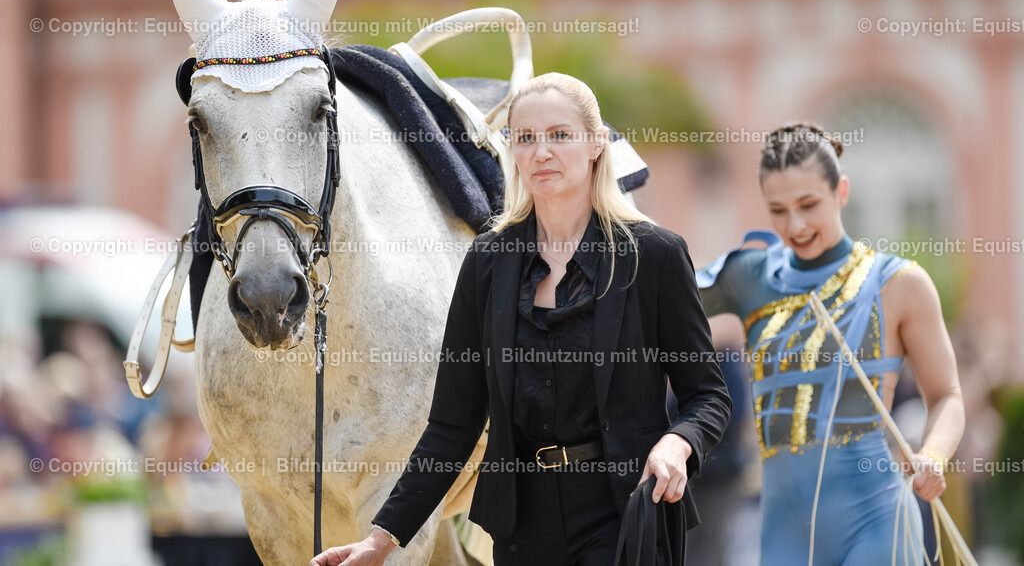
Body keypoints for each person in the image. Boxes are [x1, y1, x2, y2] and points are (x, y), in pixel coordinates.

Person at [311, 72, 731, 566]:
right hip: (521, 524)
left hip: (624, 512)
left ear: (597, 144)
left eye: (559, 135)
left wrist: (677, 444)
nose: (541, 152)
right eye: (525, 138)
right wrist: (381, 539)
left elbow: (707, 395)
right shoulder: (487, 263)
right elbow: (452, 425)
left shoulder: (654, 255)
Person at [696, 123, 965, 565]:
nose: (795, 225)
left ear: (841, 191)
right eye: (778, 210)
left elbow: (947, 395)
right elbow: (655, 291)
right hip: (782, 534)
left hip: (877, 525)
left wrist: (933, 455)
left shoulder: (898, 283)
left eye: (809, 205)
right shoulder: (751, 276)